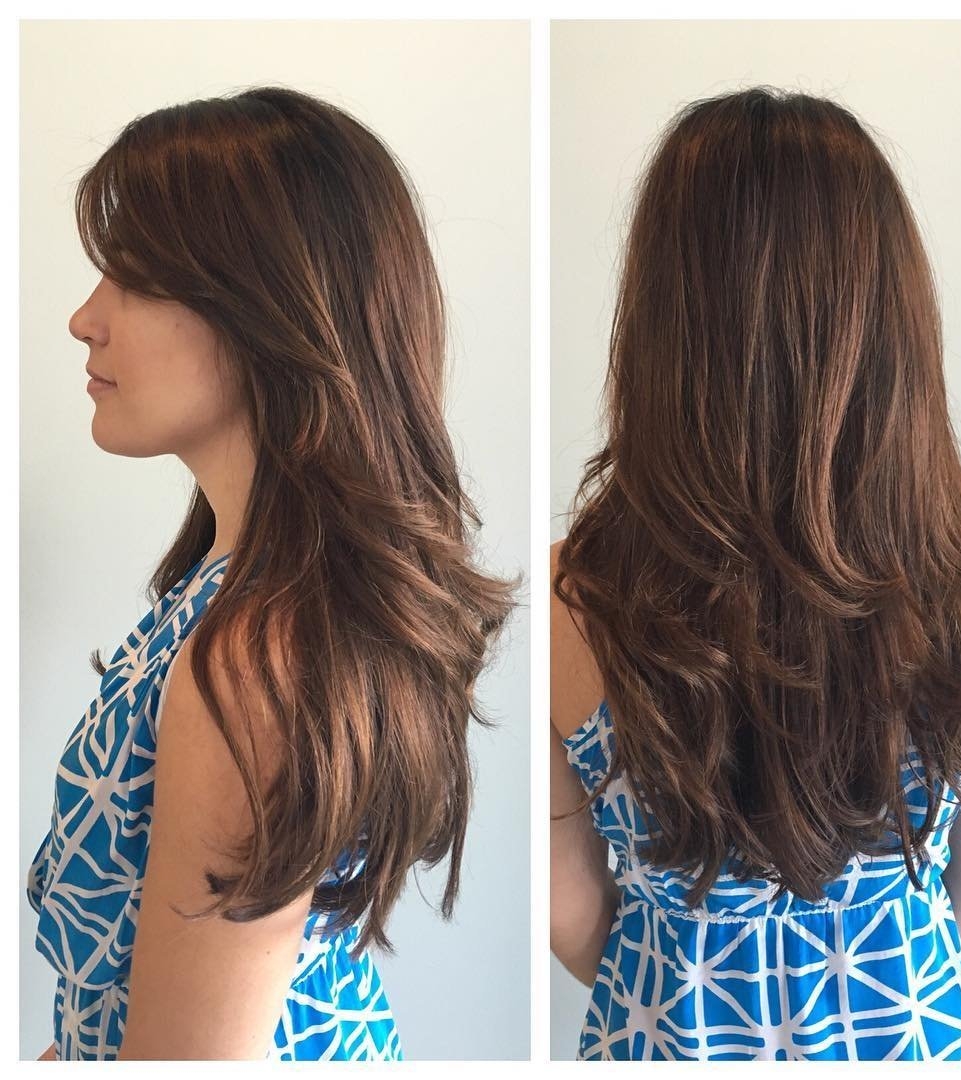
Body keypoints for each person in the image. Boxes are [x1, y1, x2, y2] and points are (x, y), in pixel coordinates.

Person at [550, 87, 961, 1061]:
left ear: (663, 321)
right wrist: (881, 950)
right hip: (909, 1029)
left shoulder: (582, 592)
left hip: (670, 1031)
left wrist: (686, 965)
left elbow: (571, 912)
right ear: (893, 312)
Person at [28, 84, 517, 1060]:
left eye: (136, 279)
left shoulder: (254, 659)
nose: (85, 319)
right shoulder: (237, 596)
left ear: (269, 310)